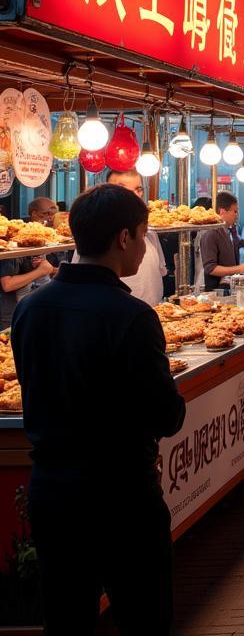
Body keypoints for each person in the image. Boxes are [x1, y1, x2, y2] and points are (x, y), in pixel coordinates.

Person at [12, 183, 186, 634]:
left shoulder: (30, 310)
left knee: (67, 621)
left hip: (52, 492)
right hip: (123, 495)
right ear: (124, 238)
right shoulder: (130, 316)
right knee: (144, 619)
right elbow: (167, 416)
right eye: (143, 237)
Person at [105, 169, 167, 305]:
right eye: (122, 189)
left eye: (138, 189)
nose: (134, 196)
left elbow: (158, 272)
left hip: (153, 314)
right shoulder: (96, 232)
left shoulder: (150, 230)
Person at [0, 197, 60, 325]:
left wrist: (52, 270)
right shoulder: (14, 241)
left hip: (37, 305)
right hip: (12, 312)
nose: (49, 218)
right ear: (33, 213)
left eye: (52, 215)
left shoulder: (48, 240)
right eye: (45, 214)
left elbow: (48, 269)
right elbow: (7, 285)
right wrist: (40, 271)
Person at [198, 191, 244, 292]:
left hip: (229, 287)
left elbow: (238, 241)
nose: (237, 215)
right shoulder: (210, 234)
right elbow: (210, 268)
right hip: (216, 291)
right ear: (222, 211)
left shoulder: (229, 230)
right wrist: (240, 268)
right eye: (235, 211)